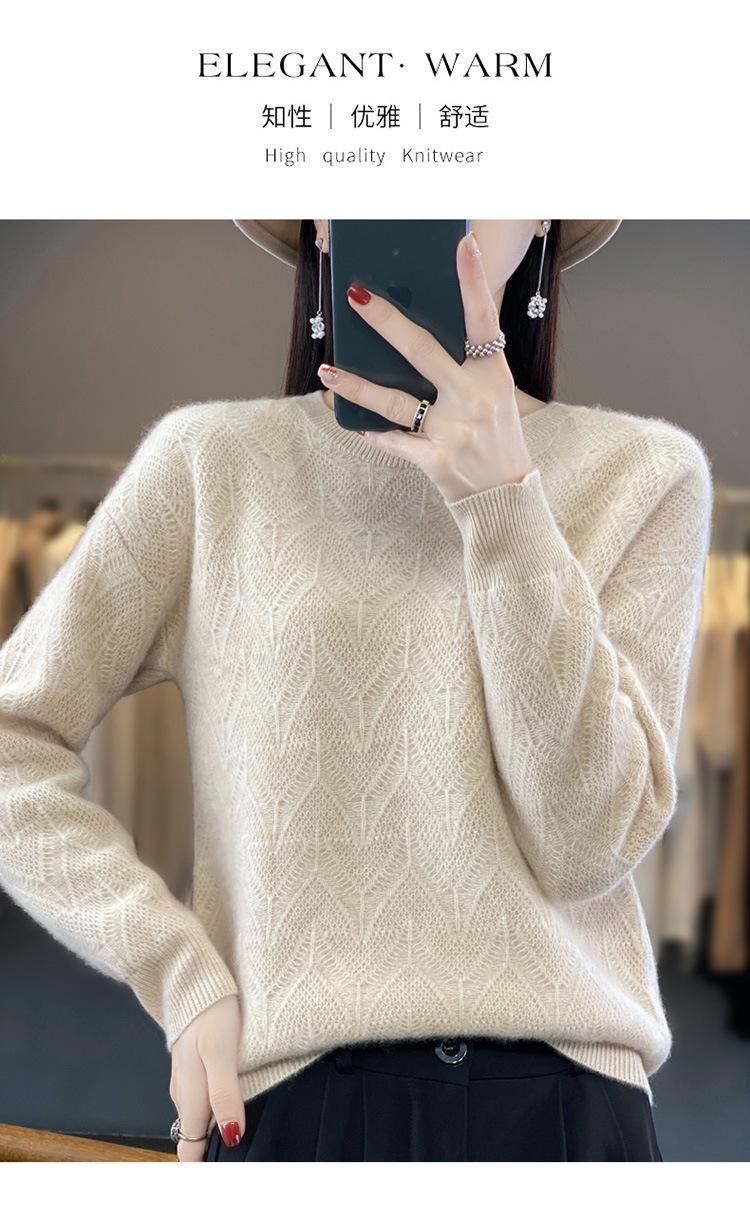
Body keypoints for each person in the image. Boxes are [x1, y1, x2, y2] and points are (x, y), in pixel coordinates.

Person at [0, 219, 712, 1161]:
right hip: (301, 1103)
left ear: (544, 213)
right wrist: (177, 972)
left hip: (569, 1107)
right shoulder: (211, 464)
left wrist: (504, 503)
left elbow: (587, 846)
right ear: (322, 221)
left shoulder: (646, 476)